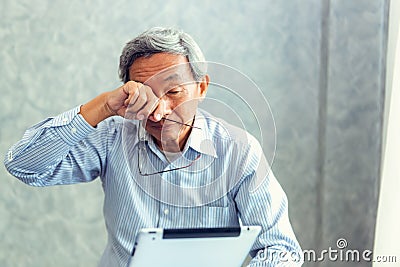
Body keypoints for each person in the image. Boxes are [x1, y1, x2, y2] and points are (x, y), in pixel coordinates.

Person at [4, 27, 303, 266]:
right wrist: (101, 106)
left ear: (202, 87)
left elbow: (281, 250)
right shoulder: (113, 137)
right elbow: (23, 165)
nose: (158, 112)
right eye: (145, 95)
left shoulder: (238, 150)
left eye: (173, 92)